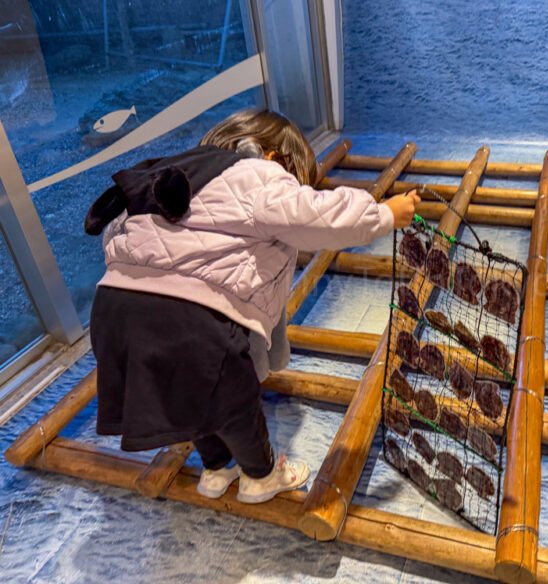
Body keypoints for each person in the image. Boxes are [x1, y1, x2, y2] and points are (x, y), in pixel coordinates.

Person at [84, 109, 420, 503]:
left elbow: (115, 235)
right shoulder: (254, 173)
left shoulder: (175, 173)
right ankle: (260, 476)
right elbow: (317, 216)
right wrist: (384, 214)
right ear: (276, 158)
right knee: (234, 402)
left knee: (188, 395)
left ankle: (216, 468)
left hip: (111, 312)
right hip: (189, 319)